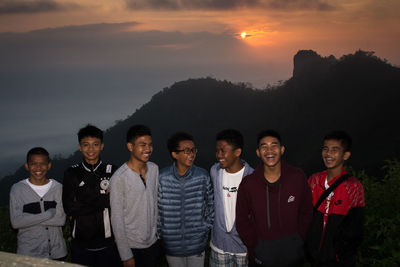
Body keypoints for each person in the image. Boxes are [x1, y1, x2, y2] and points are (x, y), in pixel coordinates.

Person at [236, 130, 313, 267]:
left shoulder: (297, 177)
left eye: (274, 145)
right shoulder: (248, 183)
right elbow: (241, 219)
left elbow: (306, 211)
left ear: (282, 149)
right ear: (258, 152)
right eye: (264, 146)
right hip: (261, 257)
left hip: (293, 256)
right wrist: (254, 245)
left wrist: (298, 239)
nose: (269, 150)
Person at [62, 124, 120, 267]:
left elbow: (119, 203)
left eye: (95, 144)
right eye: (86, 145)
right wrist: (104, 199)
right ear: (79, 147)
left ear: (102, 146)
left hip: (108, 244)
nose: (91, 149)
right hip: (81, 246)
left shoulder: (112, 171)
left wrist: (82, 200)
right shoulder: (72, 173)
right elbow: (69, 208)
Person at [306, 131, 365, 266]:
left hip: (339, 260)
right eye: (325, 149)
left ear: (346, 155)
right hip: (314, 257)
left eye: (335, 150)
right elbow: (305, 215)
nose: (328, 154)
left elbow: (356, 228)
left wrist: (339, 254)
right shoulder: (314, 181)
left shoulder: (354, 187)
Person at [158, 132, 214, 267]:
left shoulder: (202, 176)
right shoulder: (162, 177)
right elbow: (157, 209)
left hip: (197, 242)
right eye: (187, 150)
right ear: (175, 154)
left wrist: (204, 227)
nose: (192, 154)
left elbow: (211, 205)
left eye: (194, 150)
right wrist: (161, 232)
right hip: (172, 244)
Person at [110, 124, 160, 267]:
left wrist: (156, 235)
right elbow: (117, 219)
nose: (148, 149)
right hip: (131, 247)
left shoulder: (154, 169)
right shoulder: (119, 178)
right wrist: (125, 255)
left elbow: (155, 203)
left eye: (150, 144)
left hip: (152, 243)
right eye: (142, 145)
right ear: (130, 147)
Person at [10, 147, 67, 260]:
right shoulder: (18, 189)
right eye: (33, 164)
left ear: (49, 165)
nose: (38, 168)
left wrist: (27, 219)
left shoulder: (58, 188)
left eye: (43, 164)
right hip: (28, 253)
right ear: (27, 166)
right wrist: (49, 214)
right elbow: (16, 223)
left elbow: (60, 220)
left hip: (57, 252)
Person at [209, 129, 254, 267]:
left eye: (223, 151)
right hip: (219, 246)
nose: (219, 155)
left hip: (243, 248)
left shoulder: (252, 177)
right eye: (217, 151)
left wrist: (252, 247)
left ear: (237, 152)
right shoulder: (215, 172)